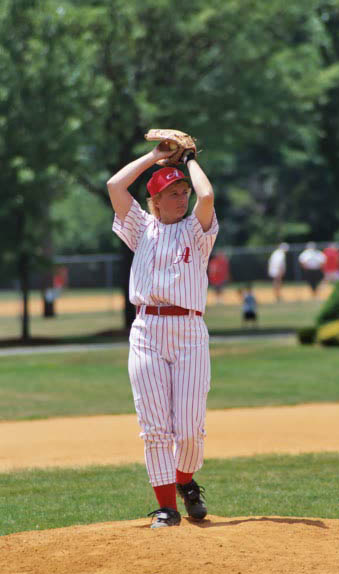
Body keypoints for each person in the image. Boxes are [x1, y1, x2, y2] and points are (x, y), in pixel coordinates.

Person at [107, 140, 218, 529]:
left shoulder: (196, 231)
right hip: (147, 331)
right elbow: (115, 186)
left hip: (188, 331)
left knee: (189, 430)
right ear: (154, 201)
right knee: (155, 428)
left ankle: (186, 482)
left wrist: (187, 161)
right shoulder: (142, 229)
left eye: (182, 191)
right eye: (172, 193)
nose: (181, 198)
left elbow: (207, 194)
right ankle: (167, 507)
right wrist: (156, 156)